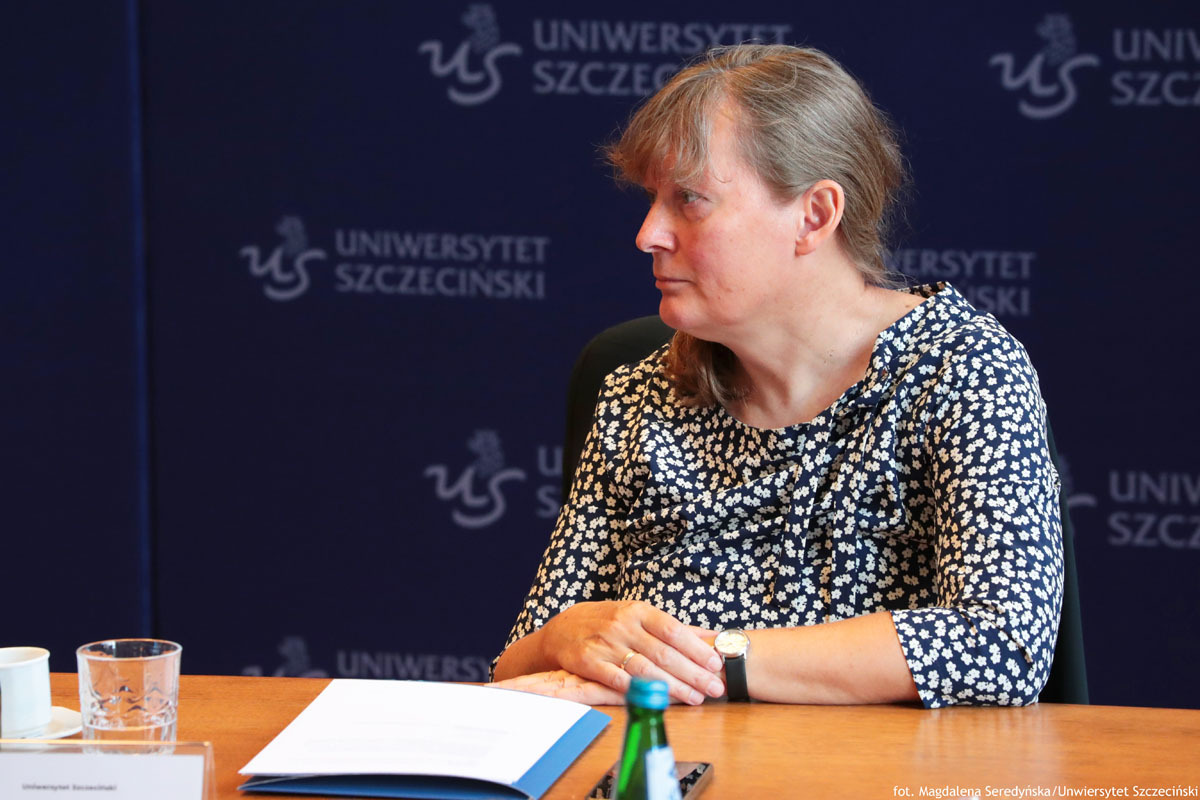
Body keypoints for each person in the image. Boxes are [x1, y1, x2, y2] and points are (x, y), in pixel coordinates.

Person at [491, 44, 1063, 709]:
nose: (648, 234)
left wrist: (705, 660)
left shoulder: (962, 371)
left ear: (814, 216)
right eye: (653, 200)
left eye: (690, 200)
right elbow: (517, 671)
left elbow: (1002, 645)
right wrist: (564, 636)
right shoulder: (637, 395)